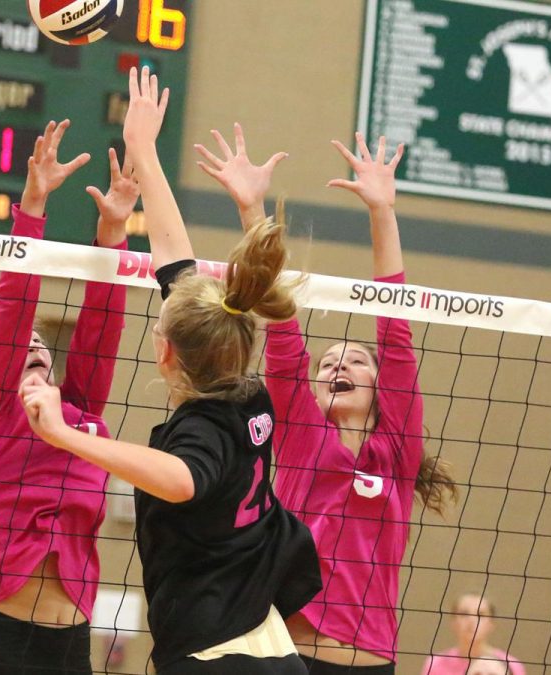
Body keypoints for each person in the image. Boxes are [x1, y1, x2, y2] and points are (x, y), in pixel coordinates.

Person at [20, 67, 321, 674]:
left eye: (159, 330)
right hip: (265, 642)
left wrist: (64, 435)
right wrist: (145, 154)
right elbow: (177, 265)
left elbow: (183, 479)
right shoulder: (250, 393)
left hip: (216, 656)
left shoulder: (204, 429)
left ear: (167, 355)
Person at [195, 125, 459, 673]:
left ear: (382, 389)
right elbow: (280, 323)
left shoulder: (398, 450)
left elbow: (395, 328)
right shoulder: (302, 434)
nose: (339, 364)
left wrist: (382, 211)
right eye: (329, 362)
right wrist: (252, 211)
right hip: (287, 656)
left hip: (370, 661)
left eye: (356, 360)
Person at [0, 120, 136, 674]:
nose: (33, 346)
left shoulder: (81, 418)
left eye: (40, 346)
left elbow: (101, 329)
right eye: (18, 348)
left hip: (71, 649)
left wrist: (112, 236)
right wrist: (32, 207)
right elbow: (13, 311)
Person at [422, 594, 525, 675]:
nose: (472, 620)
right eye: (464, 614)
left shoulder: (511, 665)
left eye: (480, 615)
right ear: (453, 621)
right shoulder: (435, 663)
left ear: (491, 623)